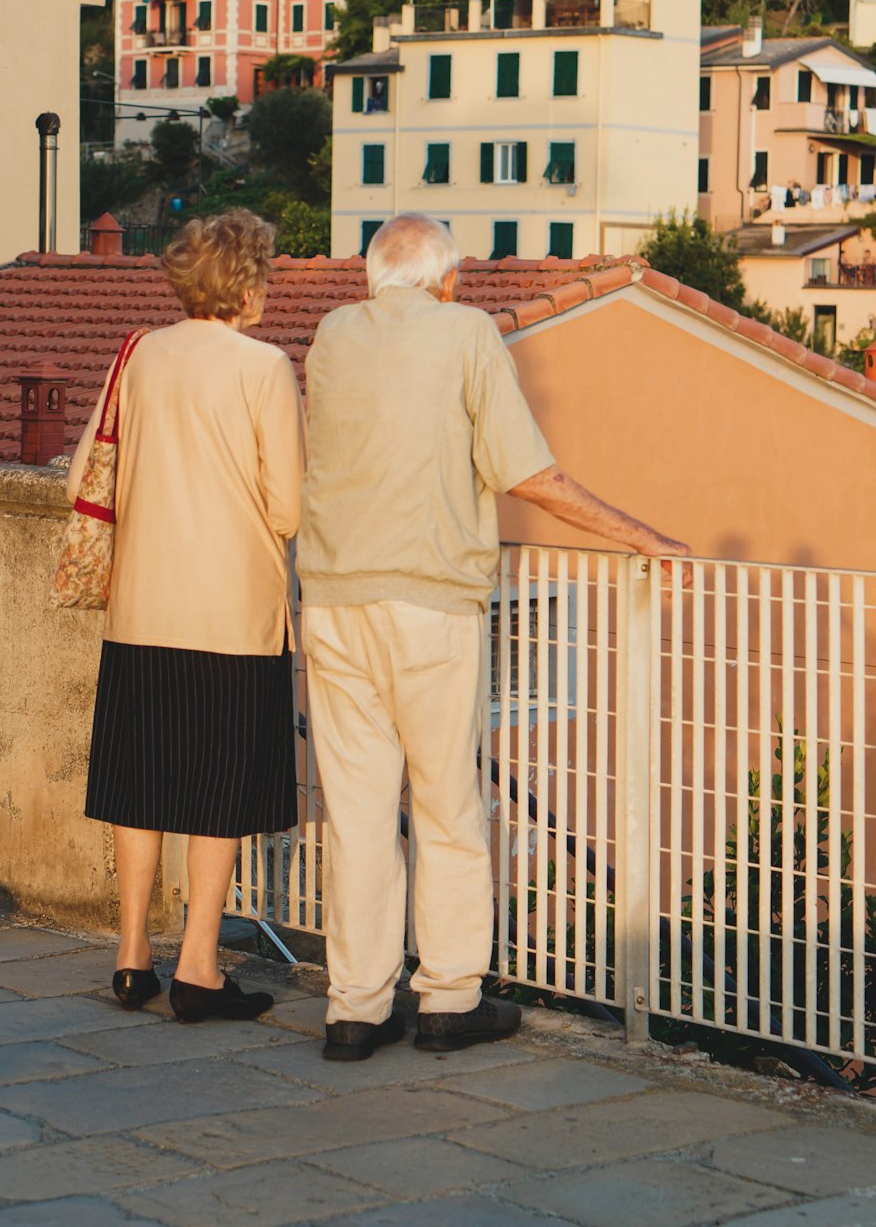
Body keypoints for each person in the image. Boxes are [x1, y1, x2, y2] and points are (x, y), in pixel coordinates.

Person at [297, 213, 691, 1062]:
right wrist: (641, 535)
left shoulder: (331, 335)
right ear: (447, 280)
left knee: (359, 814)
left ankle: (355, 1011)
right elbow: (526, 473)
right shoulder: (468, 331)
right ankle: (447, 999)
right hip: (432, 601)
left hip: (331, 598)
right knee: (446, 803)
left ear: (374, 277)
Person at [69, 210, 305, 1023]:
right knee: (219, 787)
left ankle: (133, 956)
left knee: (139, 781)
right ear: (242, 282)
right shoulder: (265, 366)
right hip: (232, 611)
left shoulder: (137, 356)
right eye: (265, 271)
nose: (268, 285)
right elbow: (288, 504)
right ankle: (199, 965)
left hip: (139, 603)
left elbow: (82, 479)